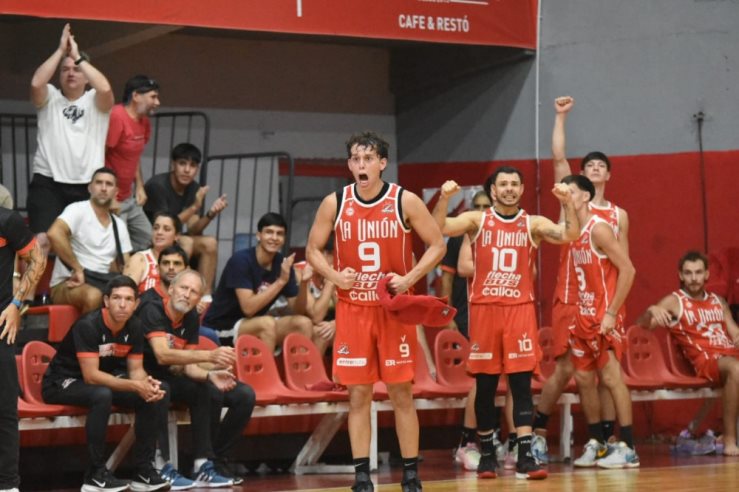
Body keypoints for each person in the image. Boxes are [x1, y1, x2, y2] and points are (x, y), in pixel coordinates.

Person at [306, 131, 446, 492]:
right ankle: (362, 477)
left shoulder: (404, 200)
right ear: (349, 165)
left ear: (382, 163)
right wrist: (334, 276)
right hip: (353, 310)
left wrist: (410, 278)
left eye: (368, 158)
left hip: (392, 310)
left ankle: (411, 475)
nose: (361, 164)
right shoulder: (335, 202)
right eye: (355, 159)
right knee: (358, 395)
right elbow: (312, 250)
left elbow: (437, 245)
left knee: (401, 393)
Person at [432, 167, 579, 481]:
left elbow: (569, 234)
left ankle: (524, 455)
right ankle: (487, 454)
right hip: (485, 311)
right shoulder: (478, 220)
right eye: (503, 184)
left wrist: (567, 203)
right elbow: (440, 226)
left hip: (519, 311)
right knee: (485, 387)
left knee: (521, 386)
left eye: (514, 184)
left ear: (522, 189)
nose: (509, 189)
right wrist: (444, 198)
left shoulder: (532, 223)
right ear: (493, 190)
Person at [532, 96, 631, 460]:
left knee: (605, 375)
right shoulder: (569, 205)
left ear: (606, 175)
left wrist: (615, 309)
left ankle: (609, 441)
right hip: (569, 298)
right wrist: (560, 117)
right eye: (588, 165)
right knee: (567, 370)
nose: (593, 168)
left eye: (599, 165)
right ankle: (539, 433)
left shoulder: (616, 216)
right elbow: (559, 158)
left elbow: (626, 264)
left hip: (602, 301)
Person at [42, 276, 169, 492]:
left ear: (136, 304)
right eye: (117, 298)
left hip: (99, 382)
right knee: (101, 395)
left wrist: (146, 384)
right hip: (61, 382)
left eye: (128, 299)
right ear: (106, 301)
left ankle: (143, 472)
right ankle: (95, 475)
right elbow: (91, 376)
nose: (122, 304)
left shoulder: (135, 326)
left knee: (154, 393)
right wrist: (135, 385)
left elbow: (136, 371)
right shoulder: (88, 325)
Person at [137, 269, 256, 486]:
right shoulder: (152, 309)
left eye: (193, 292)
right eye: (183, 288)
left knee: (207, 389)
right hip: (142, 374)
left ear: (199, 299)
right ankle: (160, 465)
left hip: (171, 374)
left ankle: (204, 463)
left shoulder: (191, 317)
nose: (187, 294)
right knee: (161, 389)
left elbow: (189, 368)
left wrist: (210, 375)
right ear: (171, 289)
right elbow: (162, 355)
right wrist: (210, 356)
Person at [560, 174, 637, 468]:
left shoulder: (599, 228)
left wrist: (612, 312)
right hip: (582, 315)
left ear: (585, 197)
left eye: (570, 191)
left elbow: (628, 270)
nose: (565, 196)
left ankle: (628, 446)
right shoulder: (571, 230)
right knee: (582, 379)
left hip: (604, 314)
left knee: (611, 378)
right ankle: (597, 442)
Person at [637, 251, 739, 456]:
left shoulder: (719, 301)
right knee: (735, 368)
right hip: (705, 361)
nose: (694, 278)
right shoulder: (674, 301)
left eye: (698, 272)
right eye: (688, 273)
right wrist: (651, 310)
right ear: (681, 275)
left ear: (707, 274)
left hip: (729, 354)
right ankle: (729, 439)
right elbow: (642, 326)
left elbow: (735, 333)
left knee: (735, 365)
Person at [28, 23, 113, 250]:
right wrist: (60, 51)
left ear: (87, 76)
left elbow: (105, 89)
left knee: (85, 245)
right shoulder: (50, 96)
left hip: (86, 184)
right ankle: (32, 277)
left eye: (76, 69)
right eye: (65, 70)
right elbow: (36, 82)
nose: (71, 73)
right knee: (41, 242)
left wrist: (77, 56)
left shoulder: (95, 100)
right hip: (48, 181)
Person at [204, 212, 314, 352]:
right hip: (222, 326)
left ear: (284, 239)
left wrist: (304, 284)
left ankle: (300, 367)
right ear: (258, 235)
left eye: (279, 234)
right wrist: (280, 281)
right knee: (266, 323)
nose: (274, 238)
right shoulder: (240, 261)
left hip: (253, 323)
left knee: (303, 323)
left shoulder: (282, 263)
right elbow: (248, 309)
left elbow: (297, 311)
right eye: (269, 232)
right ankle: (265, 367)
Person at [439, 189, 493, 471]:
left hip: (497, 315)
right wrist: (447, 314)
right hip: (466, 315)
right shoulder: (459, 236)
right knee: (481, 379)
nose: (482, 211)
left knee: (499, 381)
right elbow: (447, 279)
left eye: (487, 206)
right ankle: (467, 442)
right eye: (478, 206)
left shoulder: (502, 234)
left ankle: (495, 440)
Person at [0, 207, 46, 492]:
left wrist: (16, 304)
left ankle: (7, 484)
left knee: (4, 408)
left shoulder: (6, 220)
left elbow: (37, 259)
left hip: (0, 324)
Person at [47, 168, 133, 313]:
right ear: (90, 187)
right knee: (94, 296)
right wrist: (77, 268)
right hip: (68, 283)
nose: (103, 188)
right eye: (99, 183)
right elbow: (54, 233)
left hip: (104, 282)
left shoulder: (119, 225)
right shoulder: (77, 210)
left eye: (109, 184)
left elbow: (126, 264)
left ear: (116, 191)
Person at [143, 143, 226, 293]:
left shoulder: (194, 188)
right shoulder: (157, 185)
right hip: (152, 237)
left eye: (192, 165)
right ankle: (175, 291)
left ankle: (204, 296)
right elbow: (165, 225)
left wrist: (210, 214)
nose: (187, 170)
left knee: (210, 242)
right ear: (173, 164)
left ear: (197, 169)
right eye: (182, 163)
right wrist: (194, 206)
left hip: (174, 237)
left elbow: (193, 229)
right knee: (186, 241)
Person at [105, 75, 161, 251]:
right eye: (153, 97)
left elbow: (134, 156)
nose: (157, 102)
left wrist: (139, 186)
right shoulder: (117, 116)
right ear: (136, 96)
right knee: (117, 249)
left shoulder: (144, 122)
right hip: (112, 199)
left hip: (129, 197)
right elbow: (99, 155)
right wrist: (109, 197)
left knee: (151, 241)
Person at [124, 212, 182, 294]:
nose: (159, 232)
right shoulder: (139, 259)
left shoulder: (181, 262)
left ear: (176, 236)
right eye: (155, 228)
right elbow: (124, 293)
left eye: (166, 229)